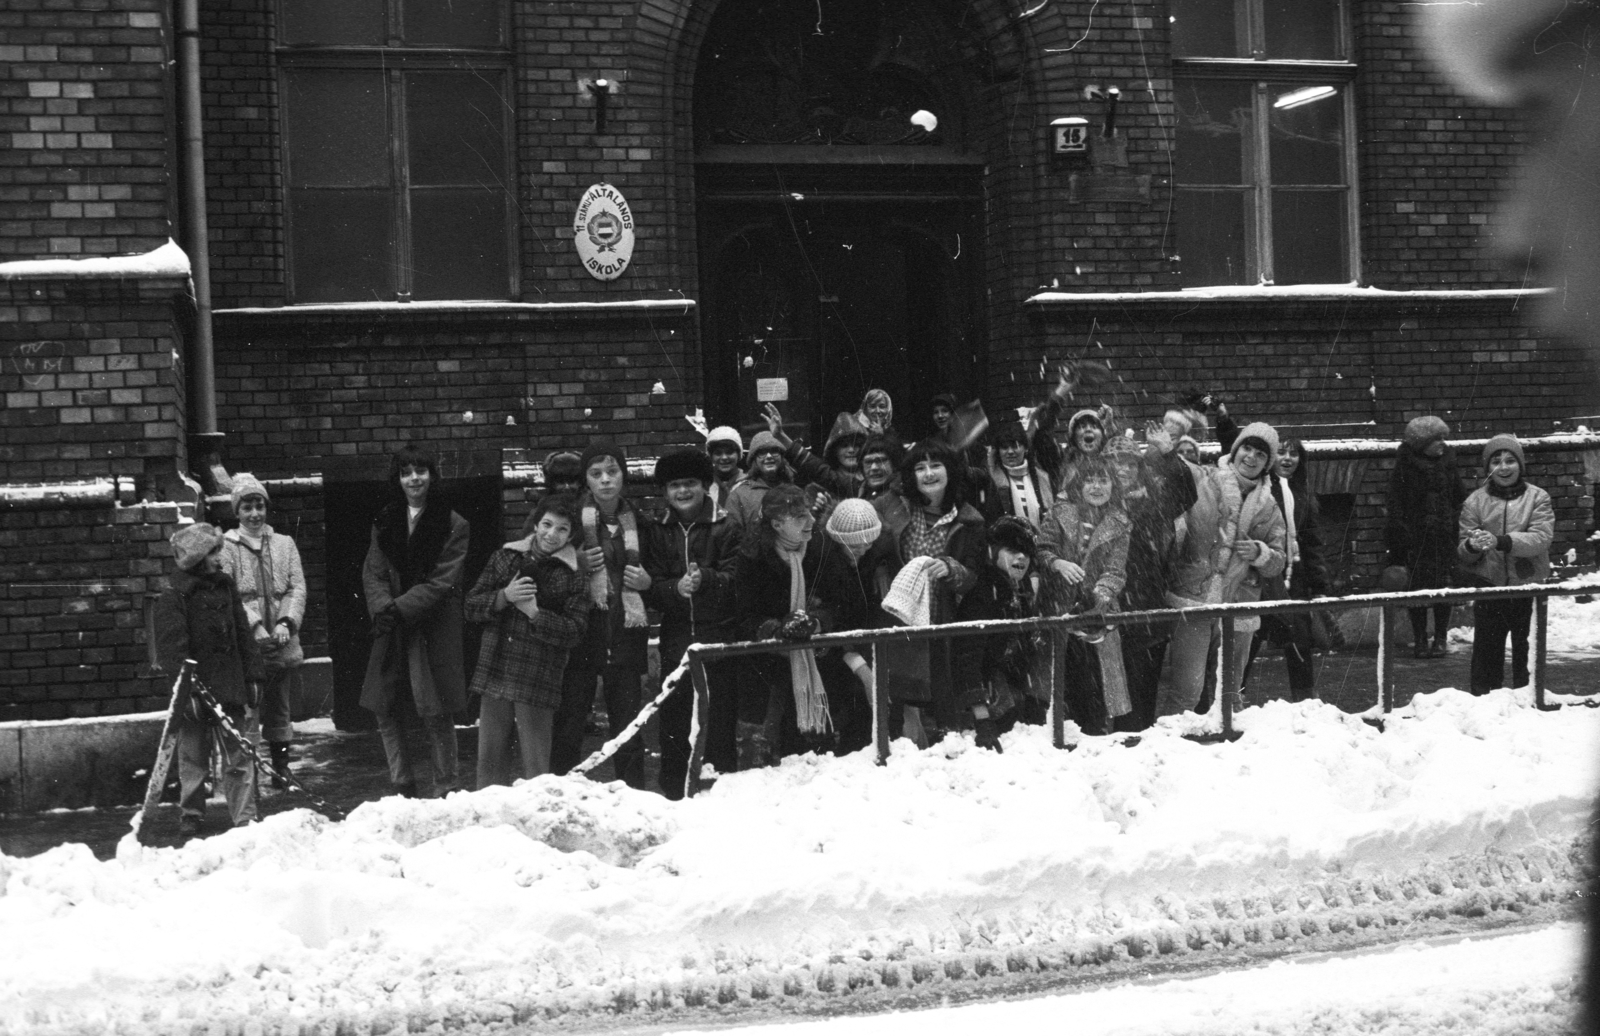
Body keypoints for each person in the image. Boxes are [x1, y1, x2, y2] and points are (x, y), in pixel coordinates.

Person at [1155, 423, 1287, 718]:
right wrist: (1165, 450)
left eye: (1261, 455)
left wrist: (1260, 553)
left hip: (1239, 606)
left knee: (1230, 693)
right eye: (1247, 448)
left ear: (1267, 464)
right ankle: (1170, 751)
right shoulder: (1206, 480)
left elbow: (1279, 561)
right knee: (1186, 692)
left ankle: (1229, 753)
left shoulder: (1270, 507)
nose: (1251, 457)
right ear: (1236, 448)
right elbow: (1180, 471)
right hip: (1194, 598)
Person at [360, 444, 469, 798]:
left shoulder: (453, 523)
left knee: (434, 707)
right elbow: (373, 573)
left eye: (420, 471)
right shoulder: (384, 520)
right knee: (385, 706)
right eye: (406, 472)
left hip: (430, 625)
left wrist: (399, 607)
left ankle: (445, 785)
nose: (414, 479)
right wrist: (384, 608)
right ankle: (402, 782)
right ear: (399, 478)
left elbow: (442, 580)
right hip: (391, 623)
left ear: (432, 476)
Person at [465, 493, 591, 789]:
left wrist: (535, 614)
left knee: (537, 767)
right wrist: (503, 597)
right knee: (490, 763)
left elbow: (575, 631)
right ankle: (492, 824)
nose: (551, 534)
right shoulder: (505, 558)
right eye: (547, 524)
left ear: (571, 535)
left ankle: (535, 824)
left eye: (562, 529)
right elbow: (471, 606)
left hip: (538, 675)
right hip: (497, 669)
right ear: (535, 524)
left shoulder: (573, 576)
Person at [550, 442, 653, 788]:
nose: (606, 480)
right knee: (570, 723)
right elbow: (540, 562)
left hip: (625, 634)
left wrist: (648, 580)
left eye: (613, 472)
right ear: (586, 481)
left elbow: (660, 572)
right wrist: (572, 561)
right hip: (582, 633)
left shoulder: (639, 520)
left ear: (624, 476)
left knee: (628, 725)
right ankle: (563, 795)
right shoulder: (569, 521)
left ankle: (633, 795)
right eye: (596, 474)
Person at [155, 523, 264, 836]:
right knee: (193, 757)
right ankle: (191, 813)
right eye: (214, 551)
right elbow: (172, 650)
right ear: (198, 557)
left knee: (238, 754)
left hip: (230, 685)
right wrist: (186, 692)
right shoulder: (175, 596)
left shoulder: (226, 587)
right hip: (195, 693)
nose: (221, 556)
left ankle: (244, 817)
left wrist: (253, 676)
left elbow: (243, 633)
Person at [645, 445, 742, 796]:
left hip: (717, 639)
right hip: (675, 641)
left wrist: (708, 581)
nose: (682, 492)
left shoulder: (727, 525)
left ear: (705, 484)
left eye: (690, 483)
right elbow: (650, 585)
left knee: (717, 722)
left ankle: (722, 793)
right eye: (674, 486)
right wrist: (675, 589)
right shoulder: (658, 528)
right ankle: (673, 793)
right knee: (674, 721)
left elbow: (738, 580)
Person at [877, 438, 987, 744]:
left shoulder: (969, 520)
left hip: (940, 619)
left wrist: (952, 569)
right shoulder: (892, 507)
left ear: (950, 471)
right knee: (897, 697)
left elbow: (974, 577)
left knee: (941, 696)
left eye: (935, 465)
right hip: (898, 618)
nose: (928, 474)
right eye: (920, 467)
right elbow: (861, 530)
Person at [731, 484, 836, 766]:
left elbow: (838, 601)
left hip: (813, 660)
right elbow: (744, 615)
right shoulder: (752, 556)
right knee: (761, 762)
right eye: (801, 517)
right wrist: (776, 629)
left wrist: (815, 622)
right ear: (777, 524)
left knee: (806, 760)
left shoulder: (819, 547)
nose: (812, 522)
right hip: (764, 668)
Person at [219, 474, 306, 790]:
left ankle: (283, 770)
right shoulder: (227, 547)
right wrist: (254, 627)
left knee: (280, 708)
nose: (254, 514)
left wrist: (286, 623)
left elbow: (296, 587)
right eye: (247, 508)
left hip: (282, 642)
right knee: (250, 709)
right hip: (250, 645)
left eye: (259, 506)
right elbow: (229, 593)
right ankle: (249, 778)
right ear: (237, 512)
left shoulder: (284, 544)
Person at [1037, 458, 1133, 735]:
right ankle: (1057, 735)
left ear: (1113, 485)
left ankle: (1094, 732)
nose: (1096, 486)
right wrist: (1059, 563)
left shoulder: (1121, 522)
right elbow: (1042, 549)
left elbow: (1116, 570)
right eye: (1090, 480)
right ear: (1079, 485)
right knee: (1056, 679)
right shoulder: (1059, 512)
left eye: (1103, 480)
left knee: (1096, 683)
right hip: (1057, 604)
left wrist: (1098, 596)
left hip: (1095, 612)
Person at [1107, 433, 1196, 731]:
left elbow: (1186, 493)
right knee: (1108, 692)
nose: (1124, 469)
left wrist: (1170, 454)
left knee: (1143, 689)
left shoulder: (1154, 501)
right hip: (1107, 607)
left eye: (1131, 463)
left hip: (1147, 606)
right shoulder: (1094, 499)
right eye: (1117, 463)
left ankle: (1138, 743)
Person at [954, 516, 1067, 747]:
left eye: (1026, 551)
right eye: (1013, 550)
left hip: (1013, 683)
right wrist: (982, 719)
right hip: (984, 695)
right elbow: (967, 659)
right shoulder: (982, 594)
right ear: (993, 551)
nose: (1022, 557)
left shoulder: (1021, 588)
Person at [1458, 434, 1554, 694]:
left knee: (1527, 648)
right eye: (1496, 461)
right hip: (1490, 585)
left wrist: (1501, 541)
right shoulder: (1475, 502)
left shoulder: (1538, 498)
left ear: (1520, 465)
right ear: (1487, 468)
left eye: (1510, 460)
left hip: (1527, 584)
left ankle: (1531, 698)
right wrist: (1472, 546)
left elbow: (1540, 538)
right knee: (1487, 648)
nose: (1503, 467)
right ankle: (1484, 699)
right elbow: (1464, 549)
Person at [1243, 438, 1329, 702]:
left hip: (1296, 578)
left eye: (1293, 454)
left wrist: (1319, 584)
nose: (1287, 458)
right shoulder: (1261, 488)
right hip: (1263, 576)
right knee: (1250, 639)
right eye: (1281, 452)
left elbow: (1312, 542)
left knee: (1300, 641)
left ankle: (1305, 700)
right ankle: (1232, 697)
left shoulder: (1303, 492)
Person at [809, 497, 889, 755]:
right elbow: (832, 613)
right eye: (853, 547)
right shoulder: (820, 559)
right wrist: (857, 663)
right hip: (832, 649)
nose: (862, 550)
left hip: (860, 641)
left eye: (868, 544)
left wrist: (881, 568)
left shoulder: (874, 554)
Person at [1385, 416, 1467, 658]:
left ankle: (1440, 637)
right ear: (1421, 443)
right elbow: (1395, 504)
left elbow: (1460, 497)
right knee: (1416, 592)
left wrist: (1453, 521)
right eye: (1436, 439)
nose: (1443, 443)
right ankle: (1420, 638)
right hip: (1415, 541)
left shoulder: (1449, 465)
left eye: (1444, 438)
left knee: (1443, 589)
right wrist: (1402, 535)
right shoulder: (1404, 468)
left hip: (1443, 538)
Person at [763, 403, 868, 505]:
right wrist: (781, 435)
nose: (851, 450)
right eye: (844, 446)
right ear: (834, 450)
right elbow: (816, 467)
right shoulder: (819, 487)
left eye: (857, 445)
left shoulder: (873, 478)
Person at [981, 416, 1054, 530]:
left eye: (1015, 446)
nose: (1010, 452)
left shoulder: (1040, 477)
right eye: (1004, 447)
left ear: (1025, 449)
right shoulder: (992, 480)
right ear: (998, 452)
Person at [722, 431, 792, 538]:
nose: (769, 456)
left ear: (782, 457)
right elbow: (731, 539)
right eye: (762, 453)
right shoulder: (739, 495)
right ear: (754, 459)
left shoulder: (794, 490)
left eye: (774, 451)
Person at [704, 426, 744, 511]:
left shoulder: (748, 484)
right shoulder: (704, 485)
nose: (724, 457)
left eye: (729, 452)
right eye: (718, 453)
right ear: (711, 456)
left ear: (739, 454)